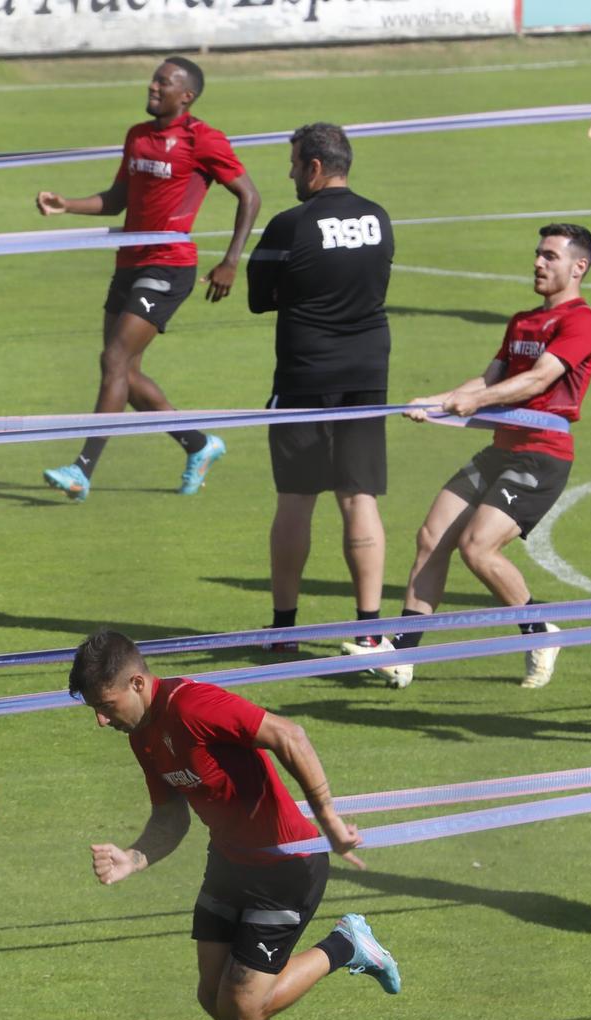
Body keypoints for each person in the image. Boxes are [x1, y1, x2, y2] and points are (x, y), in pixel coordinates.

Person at [68, 629, 398, 1020]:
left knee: (243, 1007)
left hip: (285, 866)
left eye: (105, 706)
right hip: (228, 864)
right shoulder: (142, 735)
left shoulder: (195, 704)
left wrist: (328, 817)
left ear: (136, 681)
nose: (101, 720)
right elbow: (170, 815)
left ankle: (346, 946)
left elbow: (290, 735)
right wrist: (132, 859)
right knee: (212, 997)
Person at [351, 224, 591, 690]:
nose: (538, 263)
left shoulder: (581, 322)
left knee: (477, 547)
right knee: (431, 537)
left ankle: (540, 630)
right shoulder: (523, 320)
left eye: (549, 256)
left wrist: (474, 405)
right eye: (537, 253)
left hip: (541, 458)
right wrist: (436, 402)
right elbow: (488, 381)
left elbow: (537, 381)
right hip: (500, 450)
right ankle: (401, 656)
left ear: (578, 266)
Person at [36, 57, 260, 501]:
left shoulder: (203, 140)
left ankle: (82, 470)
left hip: (169, 265)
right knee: (126, 374)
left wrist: (232, 261)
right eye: (154, 79)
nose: (153, 86)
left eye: (164, 82)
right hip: (129, 263)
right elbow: (118, 200)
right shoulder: (137, 136)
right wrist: (67, 205)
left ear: (186, 96)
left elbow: (249, 196)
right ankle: (199, 444)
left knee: (114, 361)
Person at [245, 123, 394, 650]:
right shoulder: (378, 218)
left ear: (313, 166)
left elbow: (259, 298)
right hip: (368, 375)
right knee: (359, 498)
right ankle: (371, 630)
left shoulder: (290, 224)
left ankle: (284, 630)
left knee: (296, 500)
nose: (289, 173)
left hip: (305, 376)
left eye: (292, 164)